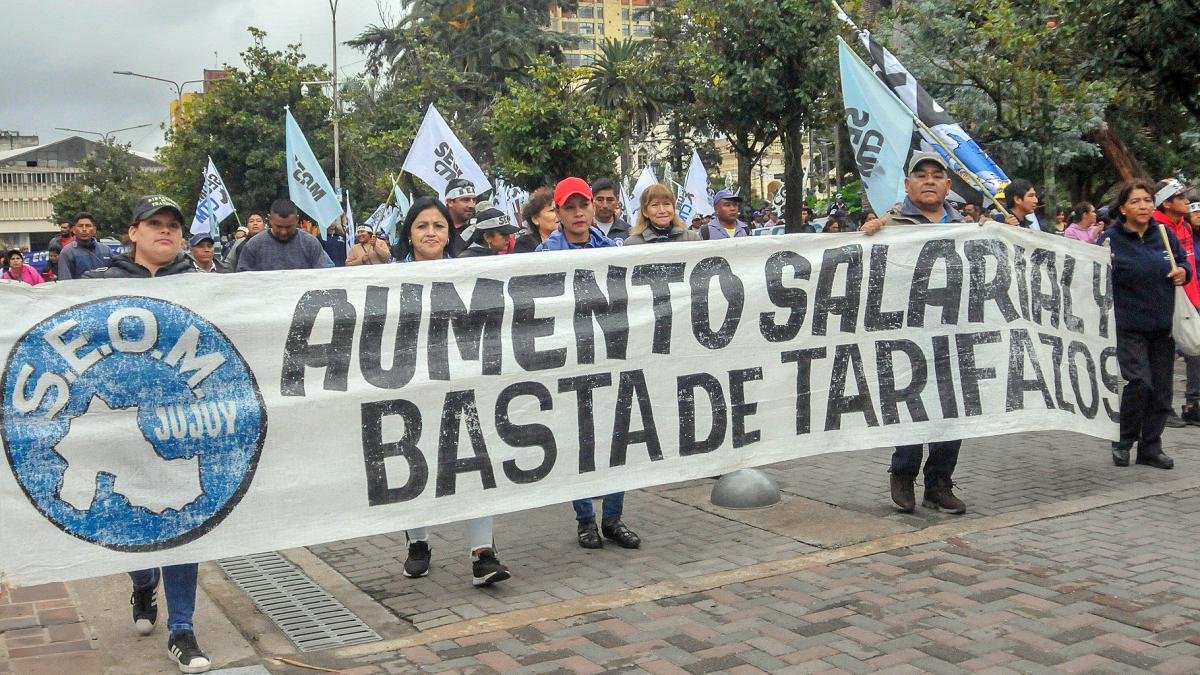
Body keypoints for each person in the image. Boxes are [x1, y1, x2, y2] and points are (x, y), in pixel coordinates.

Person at [81, 195, 210, 673]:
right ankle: (141, 582)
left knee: (183, 524)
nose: (165, 231)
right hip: (116, 427)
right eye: (154, 223)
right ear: (133, 232)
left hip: (178, 428)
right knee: (129, 521)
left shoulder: (205, 287)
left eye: (173, 224)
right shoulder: (96, 284)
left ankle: (183, 629)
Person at [390, 196, 510, 586]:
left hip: (461, 384)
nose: (431, 233)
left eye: (438, 226)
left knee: (476, 462)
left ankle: (483, 553)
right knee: (412, 464)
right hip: (410, 388)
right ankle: (418, 543)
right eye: (422, 226)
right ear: (409, 234)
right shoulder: (387, 280)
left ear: (449, 233)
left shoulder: (467, 274)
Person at [861, 152, 968, 514]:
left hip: (955, 332)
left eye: (936, 175)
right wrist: (869, 235)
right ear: (908, 185)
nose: (929, 181)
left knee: (953, 409)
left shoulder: (967, 226)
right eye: (921, 175)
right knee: (911, 405)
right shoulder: (890, 225)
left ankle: (939, 484)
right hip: (909, 335)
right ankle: (903, 474)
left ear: (947, 186)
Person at [536, 177, 640, 548]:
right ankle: (585, 520)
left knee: (616, 437)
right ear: (558, 212)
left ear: (594, 207)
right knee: (577, 442)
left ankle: (612, 518)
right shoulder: (542, 257)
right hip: (567, 361)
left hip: (608, 356)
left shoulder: (613, 250)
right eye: (570, 207)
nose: (578, 213)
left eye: (584, 205)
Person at [1097, 180, 1190, 470]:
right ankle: (1123, 439)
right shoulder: (1110, 239)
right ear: (1123, 208)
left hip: (1163, 325)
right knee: (1139, 382)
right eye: (1135, 201)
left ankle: (1151, 447)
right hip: (1128, 326)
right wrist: (1104, 266)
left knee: (1162, 391)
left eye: (1147, 200)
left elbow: (1183, 263)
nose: (1143, 206)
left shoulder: (1163, 233)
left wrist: (1182, 271)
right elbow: (1091, 276)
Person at [1153, 179, 1200, 427]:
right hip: (1165, 301)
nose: (1187, 201)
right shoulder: (1155, 227)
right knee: (1164, 356)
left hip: (1191, 298)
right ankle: (1162, 408)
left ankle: (1193, 405)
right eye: (1181, 197)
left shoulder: (1185, 226)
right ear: (1166, 203)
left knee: (1195, 350)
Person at [236, 199, 334, 271]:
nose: (283, 232)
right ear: (270, 219)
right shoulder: (254, 245)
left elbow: (326, 273)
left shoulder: (310, 244)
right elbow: (243, 278)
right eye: (278, 227)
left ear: (297, 219)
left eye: (288, 227)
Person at [624, 183, 702, 245]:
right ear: (645, 211)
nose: (662, 210)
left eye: (666, 204)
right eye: (655, 205)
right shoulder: (632, 243)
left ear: (673, 208)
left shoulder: (691, 238)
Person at [58, 213, 114, 279]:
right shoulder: (67, 253)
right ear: (74, 230)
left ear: (94, 230)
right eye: (80, 226)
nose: (84, 229)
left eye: (88, 226)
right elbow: (64, 281)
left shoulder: (106, 250)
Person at [513, 188, 557, 253]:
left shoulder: (570, 238)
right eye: (552, 210)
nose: (558, 214)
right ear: (535, 219)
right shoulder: (524, 244)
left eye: (559, 209)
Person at [442, 178, 478, 257]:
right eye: (466, 200)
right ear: (450, 202)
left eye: (474, 200)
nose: (472, 205)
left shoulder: (479, 232)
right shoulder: (436, 231)